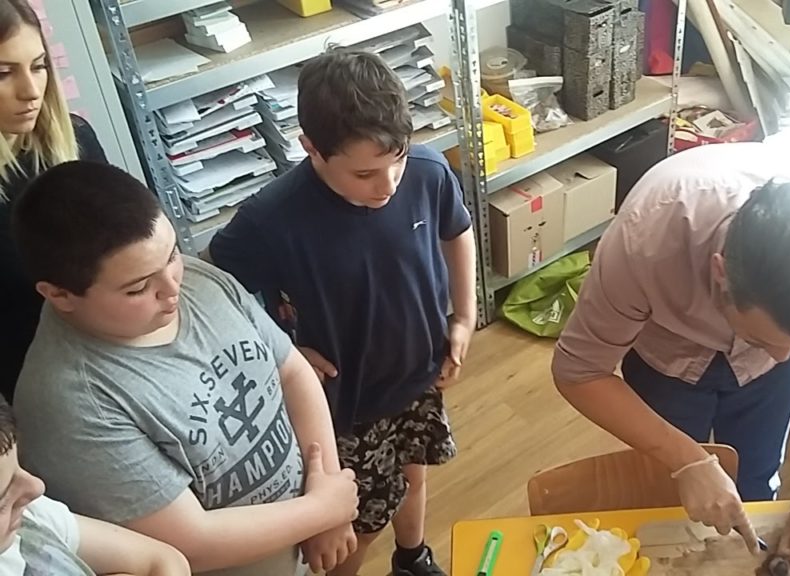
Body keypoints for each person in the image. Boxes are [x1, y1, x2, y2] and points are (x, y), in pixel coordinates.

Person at [551, 142, 790, 573]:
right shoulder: (648, 235)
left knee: (756, 484)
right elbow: (579, 369)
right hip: (665, 356)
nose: (783, 357)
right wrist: (686, 459)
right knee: (672, 493)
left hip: (756, 355)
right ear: (720, 274)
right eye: (760, 337)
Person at [11, 161, 360, 576]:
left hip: (307, 538)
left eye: (172, 254)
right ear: (60, 295)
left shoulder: (196, 280)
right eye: (139, 288)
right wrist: (323, 509)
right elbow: (189, 544)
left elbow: (293, 372)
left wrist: (327, 493)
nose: (174, 287)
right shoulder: (69, 402)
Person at [208, 49, 477, 576]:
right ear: (311, 147)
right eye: (365, 173)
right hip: (345, 402)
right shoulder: (272, 217)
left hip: (418, 373)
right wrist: (282, 350)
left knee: (413, 474)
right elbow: (216, 292)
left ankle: (412, 557)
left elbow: (457, 230)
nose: (388, 185)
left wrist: (463, 316)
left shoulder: (427, 171)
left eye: (397, 159)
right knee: (359, 521)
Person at [0, 0, 107, 404]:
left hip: (116, 354)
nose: (31, 91)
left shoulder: (75, 141)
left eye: (39, 66)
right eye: (3, 73)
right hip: (38, 390)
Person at [0, 396, 192, 576]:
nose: (36, 487)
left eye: (19, 465)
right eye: (3, 500)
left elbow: (164, 560)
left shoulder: (31, 514)